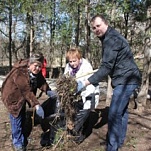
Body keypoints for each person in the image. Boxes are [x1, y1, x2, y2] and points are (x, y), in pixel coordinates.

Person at [76, 14, 141, 151]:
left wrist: (86, 82)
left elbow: (106, 67)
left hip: (126, 80)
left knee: (113, 114)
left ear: (105, 23)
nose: (96, 30)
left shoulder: (111, 40)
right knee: (121, 113)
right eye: (93, 28)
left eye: (98, 26)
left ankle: (112, 148)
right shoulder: (109, 37)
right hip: (126, 78)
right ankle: (117, 142)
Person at [1, 52, 57, 151]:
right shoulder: (20, 72)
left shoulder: (35, 71)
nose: (38, 69)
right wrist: (37, 105)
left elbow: (41, 81)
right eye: (36, 66)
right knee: (16, 118)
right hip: (12, 97)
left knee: (22, 118)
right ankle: (18, 145)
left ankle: (20, 139)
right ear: (30, 64)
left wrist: (49, 91)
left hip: (22, 97)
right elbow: (26, 91)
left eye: (40, 66)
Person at [64, 47, 100, 143]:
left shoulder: (86, 66)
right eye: (70, 61)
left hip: (88, 92)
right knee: (76, 112)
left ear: (79, 58)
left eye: (74, 61)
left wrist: (87, 97)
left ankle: (82, 134)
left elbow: (90, 82)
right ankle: (76, 132)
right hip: (76, 94)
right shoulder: (68, 67)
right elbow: (65, 78)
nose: (72, 63)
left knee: (85, 113)